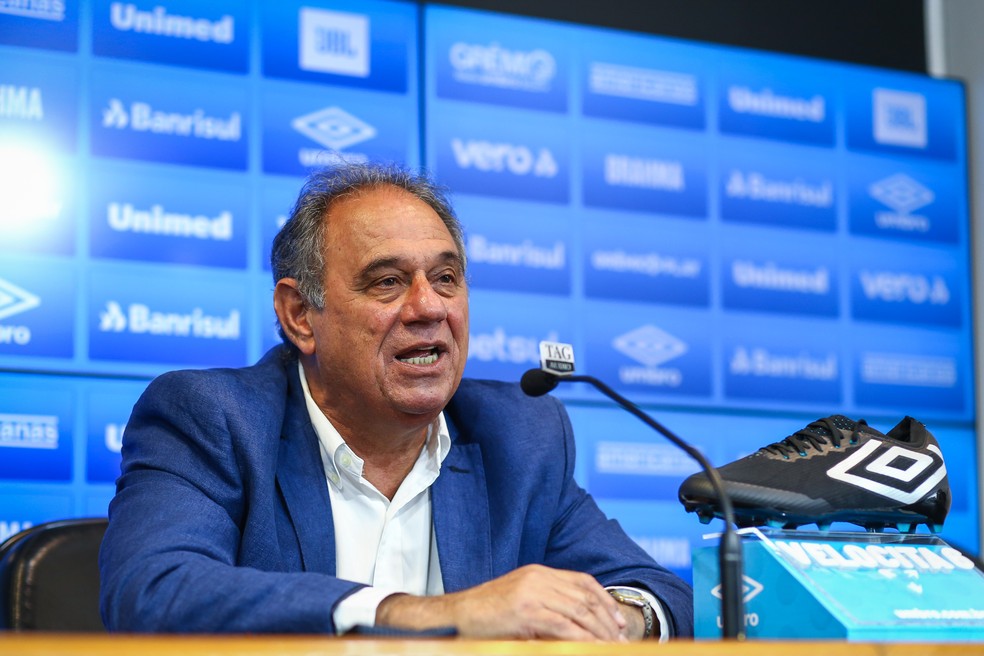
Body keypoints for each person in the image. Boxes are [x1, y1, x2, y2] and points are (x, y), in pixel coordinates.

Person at [99, 162, 694, 640]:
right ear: (300, 315)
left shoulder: (520, 435)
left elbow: (662, 596)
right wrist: (419, 614)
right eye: (387, 281)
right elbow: (153, 590)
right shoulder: (212, 418)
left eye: (446, 278)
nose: (429, 307)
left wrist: (609, 621)